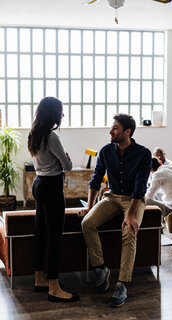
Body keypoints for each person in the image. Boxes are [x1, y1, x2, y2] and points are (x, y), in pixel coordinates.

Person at [78, 113, 151, 308]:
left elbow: (140, 187)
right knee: (87, 223)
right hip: (111, 196)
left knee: (129, 230)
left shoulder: (143, 154)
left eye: (116, 128)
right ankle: (101, 268)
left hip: (134, 200)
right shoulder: (105, 151)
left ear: (127, 132)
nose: (111, 131)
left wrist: (129, 214)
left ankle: (122, 283)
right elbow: (95, 180)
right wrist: (90, 206)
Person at [28, 96, 79, 303]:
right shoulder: (51, 137)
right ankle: (54, 287)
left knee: (41, 233)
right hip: (51, 187)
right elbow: (67, 166)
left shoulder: (34, 134)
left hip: (39, 184)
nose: (63, 115)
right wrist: (66, 158)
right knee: (54, 237)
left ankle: (39, 278)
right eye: (61, 111)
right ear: (53, 113)